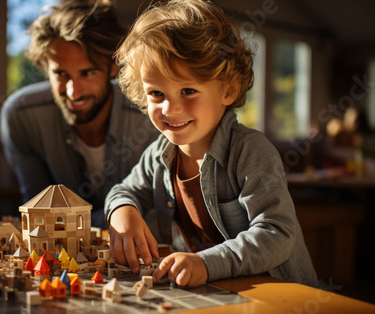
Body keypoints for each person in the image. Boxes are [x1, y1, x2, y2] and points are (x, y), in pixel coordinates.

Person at [105, 0, 319, 288]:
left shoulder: (250, 151)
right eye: (156, 93)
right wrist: (122, 211)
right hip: (215, 296)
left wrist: (208, 263)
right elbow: (124, 190)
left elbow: (275, 233)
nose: (170, 109)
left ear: (229, 89)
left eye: (188, 90)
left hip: (279, 296)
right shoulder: (158, 154)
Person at [0, 0, 159, 228]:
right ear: (46, 67)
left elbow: (156, 218)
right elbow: (38, 216)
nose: (73, 92)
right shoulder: (22, 117)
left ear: (114, 65)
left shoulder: (151, 117)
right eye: (61, 74)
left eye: (87, 73)